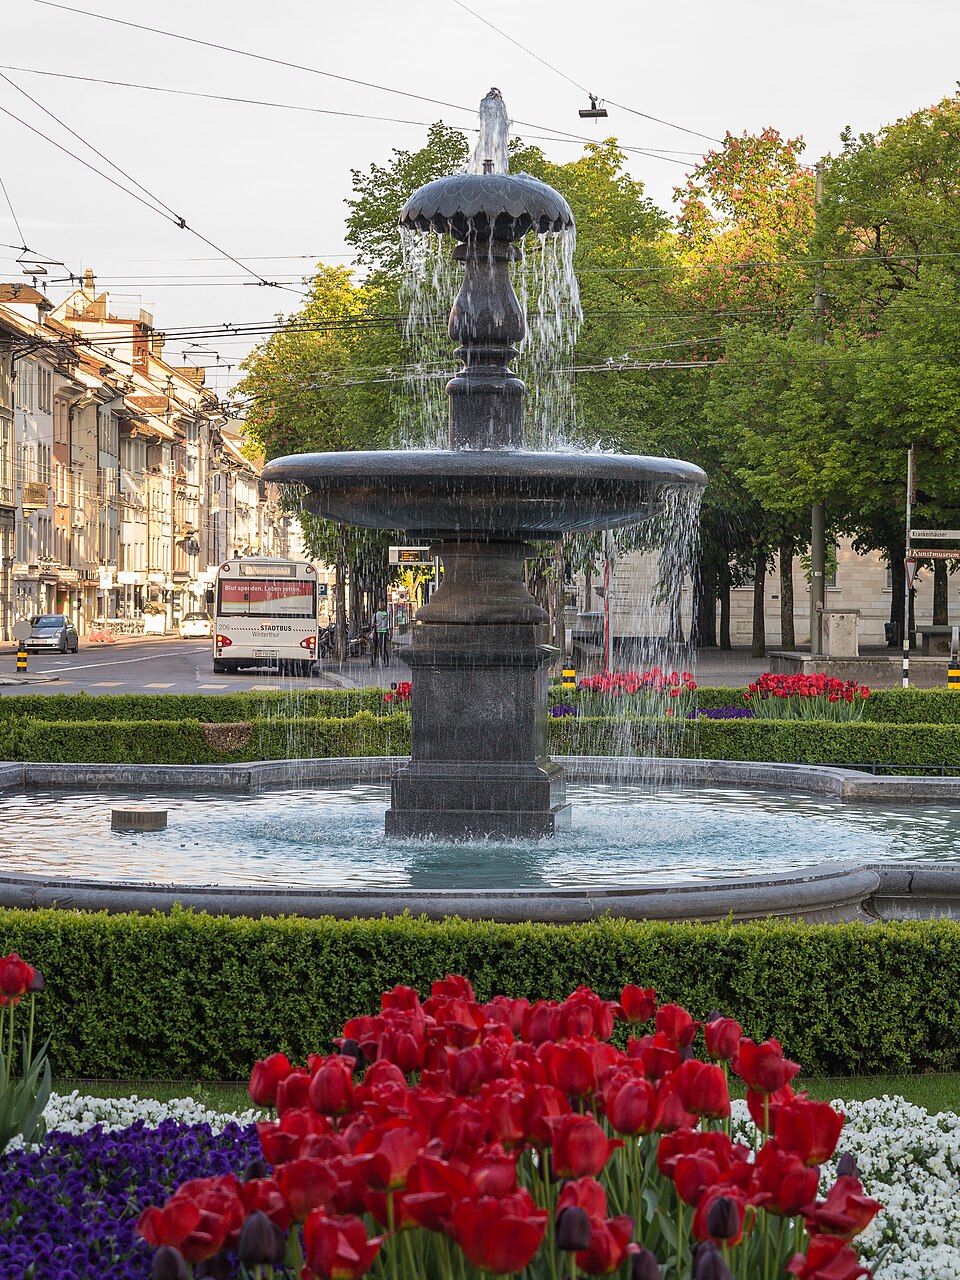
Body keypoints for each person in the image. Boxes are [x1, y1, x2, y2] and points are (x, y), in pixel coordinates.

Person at [370, 602, 391, 668]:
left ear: (378, 607)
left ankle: (373, 663)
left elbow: (372, 624)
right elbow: (388, 624)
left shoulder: (375, 615)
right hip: (384, 632)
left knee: (374, 648)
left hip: (377, 632)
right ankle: (386, 662)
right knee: (383, 648)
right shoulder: (386, 615)